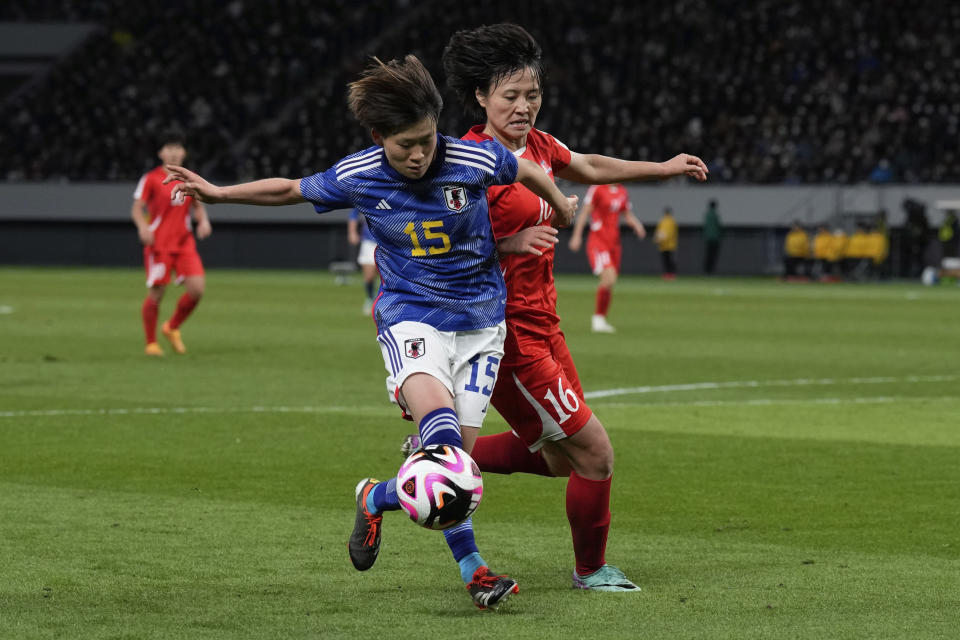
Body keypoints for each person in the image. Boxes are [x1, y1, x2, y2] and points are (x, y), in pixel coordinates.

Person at [163, 54, 577, 611]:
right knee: (445, 446)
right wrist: (219, 193)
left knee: (459, 470)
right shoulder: (359, 174)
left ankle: (374, 497)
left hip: (482, 326)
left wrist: (558, 208)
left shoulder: (469, 158)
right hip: (413, 318)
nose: (419, 154)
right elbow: (289, 189)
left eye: (427, 140)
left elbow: (525, 169)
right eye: (406, 144)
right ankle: (475, 572)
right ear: (380, 135)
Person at [405, 23, 707, 593]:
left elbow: (588, 165)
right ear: (480, 98)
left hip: (546, 323)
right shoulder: (468, 164)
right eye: (510, 96)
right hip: (505, 333)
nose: (524, 107)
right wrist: (510, 244)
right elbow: (442, 251)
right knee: (594, 453)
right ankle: (590, 570)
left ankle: (433, 461)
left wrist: (663, 167)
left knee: (562, 460)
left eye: (532, 94)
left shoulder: (537, 147)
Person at [131, 130, 211, 356]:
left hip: (184, 243)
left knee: (197, 290)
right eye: (169, 148)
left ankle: (172, 327)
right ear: (160, 152)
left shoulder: (190, 178)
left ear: (184, 152)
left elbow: (198, 204)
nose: (174, 152)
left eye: (178, 148)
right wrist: (143, 227)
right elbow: (137, 208)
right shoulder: (151, 179)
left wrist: (203, 221)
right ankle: (151, 343)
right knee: (157, 293)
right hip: (159, 244)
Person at [568, 183, 646, 333]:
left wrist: (637, 225)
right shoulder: (597, 188)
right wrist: (577, 236)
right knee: (608, 279)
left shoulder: (622, 191)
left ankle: (601, 319)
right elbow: (585, 212)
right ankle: (597, 319)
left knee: (610, 282)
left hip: (614, 243)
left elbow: (627, 213)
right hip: (598, 241)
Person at [346, 208, 378, 315]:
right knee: (369, 277)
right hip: (369, 242)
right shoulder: (366, 193)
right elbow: (353, 215)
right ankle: (370, 298)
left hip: (387, 243)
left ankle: (384, 302)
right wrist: (352, 232)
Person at [655, 206, 679, 279]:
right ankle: (670, 274)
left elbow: (659, 232)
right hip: (670, 245)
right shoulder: (672, 221)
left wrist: (658, 239)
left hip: (664, 245)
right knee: (669, 260)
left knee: (666, 260)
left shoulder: (663, 221)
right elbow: (673, 233)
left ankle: (669, 274)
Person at [702, 199, 723, 274]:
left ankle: (706, 270)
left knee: (708, 255)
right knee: (713, 255)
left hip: (708, 238)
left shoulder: (707, 215)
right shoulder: (715, 215)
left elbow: (705, 227)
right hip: (715, 238)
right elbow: (719, 227)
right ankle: (711, 270)